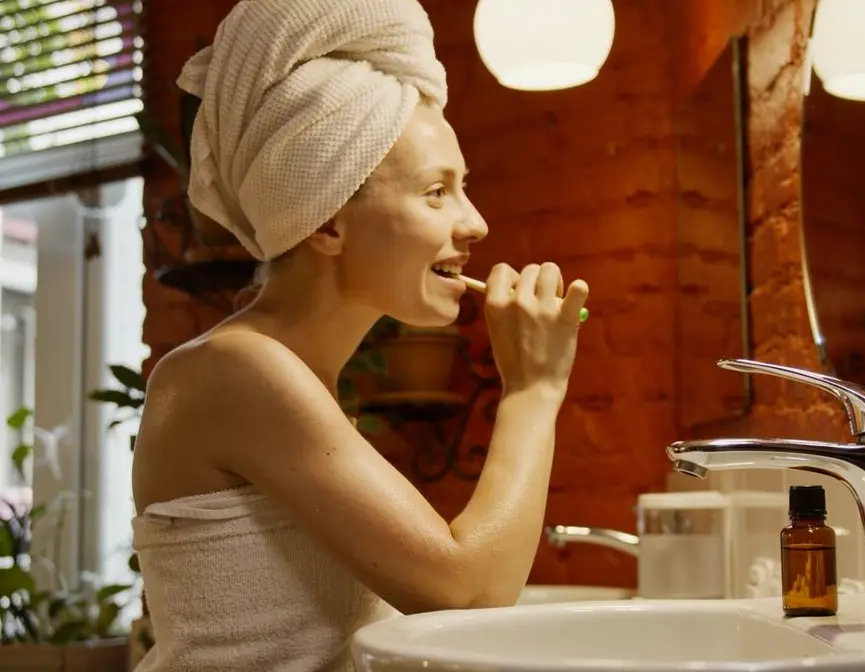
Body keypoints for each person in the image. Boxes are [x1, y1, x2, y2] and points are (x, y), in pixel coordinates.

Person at [129, 1, 589, 670]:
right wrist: (534, 390)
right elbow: (469, 597)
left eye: (464, 189)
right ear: (327, 223)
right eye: (437, 192)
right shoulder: (240, 369)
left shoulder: (289, 375)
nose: (475, 223)